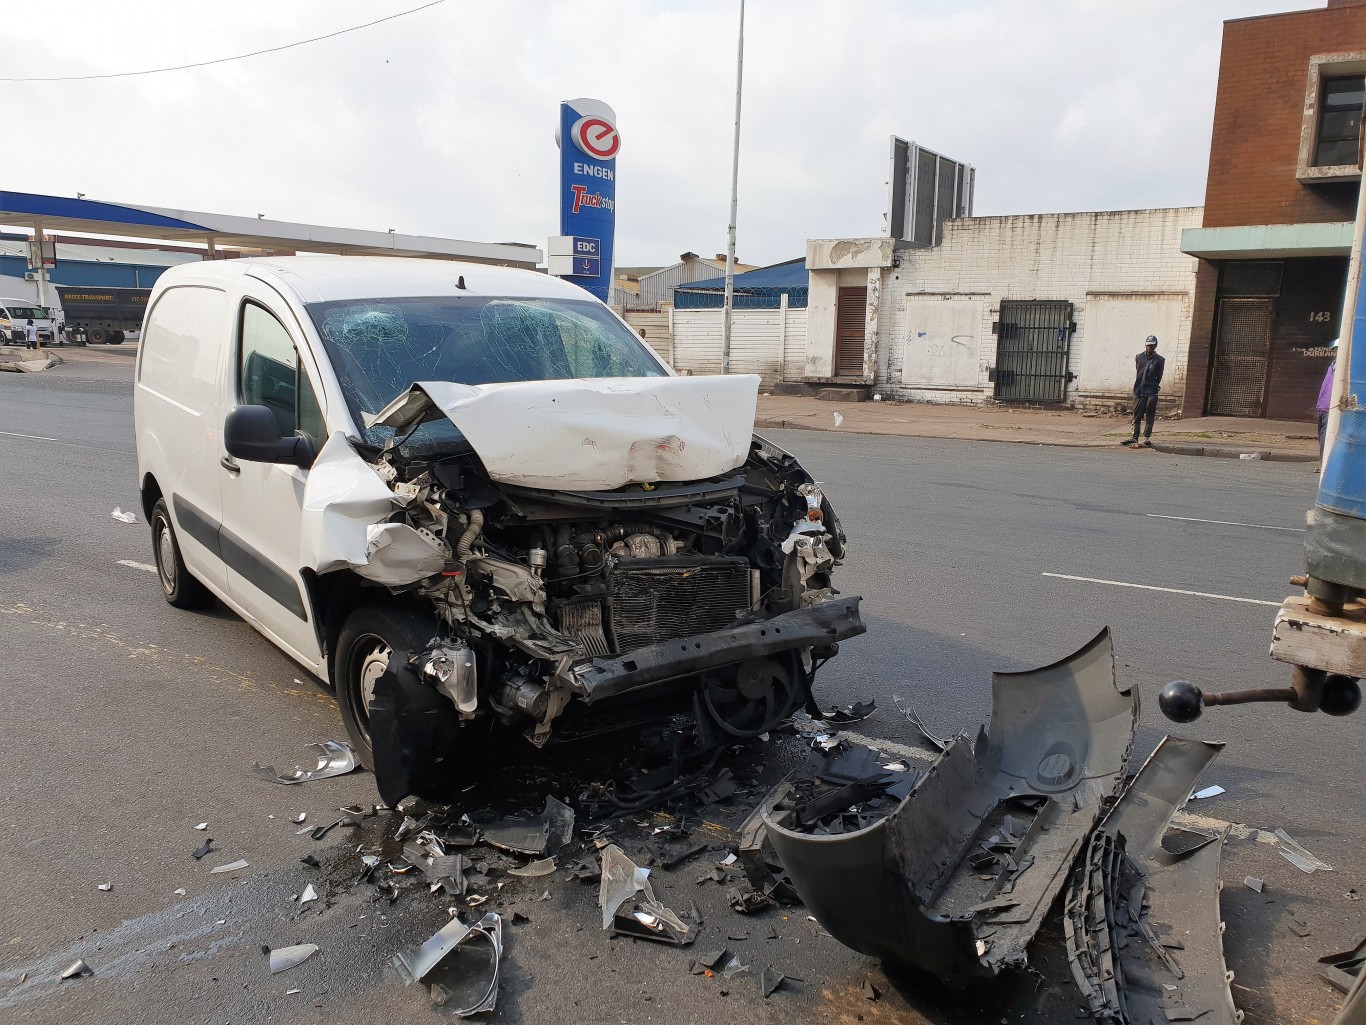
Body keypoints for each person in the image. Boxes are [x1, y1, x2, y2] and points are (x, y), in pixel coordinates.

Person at [1121, 335, 1165, 448]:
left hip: (1152, 390)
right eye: (1148, 345)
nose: (1149, 348)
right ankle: (1134, 437)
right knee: (1137, 414)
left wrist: (1154, 386)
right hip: (1139, 389)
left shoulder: (1160, 360)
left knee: (1150, 415)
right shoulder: (1139, 357)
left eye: (1152, 345)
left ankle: (1146, 437)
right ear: (1145, 345)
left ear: (1155, 346)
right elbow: (1138, 370)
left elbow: (1159, 376)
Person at [1317, 338, 1338, 459]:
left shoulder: (1343, 368)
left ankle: (1325, 462)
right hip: (1323, 407)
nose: (1336, 352)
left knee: (1326, 436)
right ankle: (1324, 462)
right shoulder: (1333, 365)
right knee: (1322, 436)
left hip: (1331, 407)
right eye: (1335, 349)